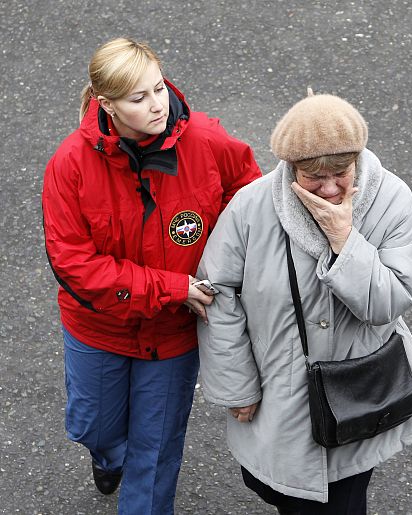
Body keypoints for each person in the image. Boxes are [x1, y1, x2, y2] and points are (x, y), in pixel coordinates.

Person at [41, 37, 261, 514]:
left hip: (174, 333)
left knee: (157, 451)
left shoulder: (208, 141)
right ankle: (107, 454)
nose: (157, 105)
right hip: (99, 329)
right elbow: (72, 263)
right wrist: (172, 286)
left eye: (159, 89)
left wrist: (224, 273)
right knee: (93, 427)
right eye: (138, 99)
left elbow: (249, 204)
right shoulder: (69, 165)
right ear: (107, 105)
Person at [196, 92, 412, 514]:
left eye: (340, 172)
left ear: (357, 159)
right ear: (290, 167)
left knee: (341, 501)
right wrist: (235, 386)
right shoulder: (251, 206)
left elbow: (390, 301)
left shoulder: (392, 199)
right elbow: (218, 296)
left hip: (356, 396)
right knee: (269, 486)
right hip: (278, 392)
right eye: (313, 175)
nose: (328, 188)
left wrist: (345, 241)